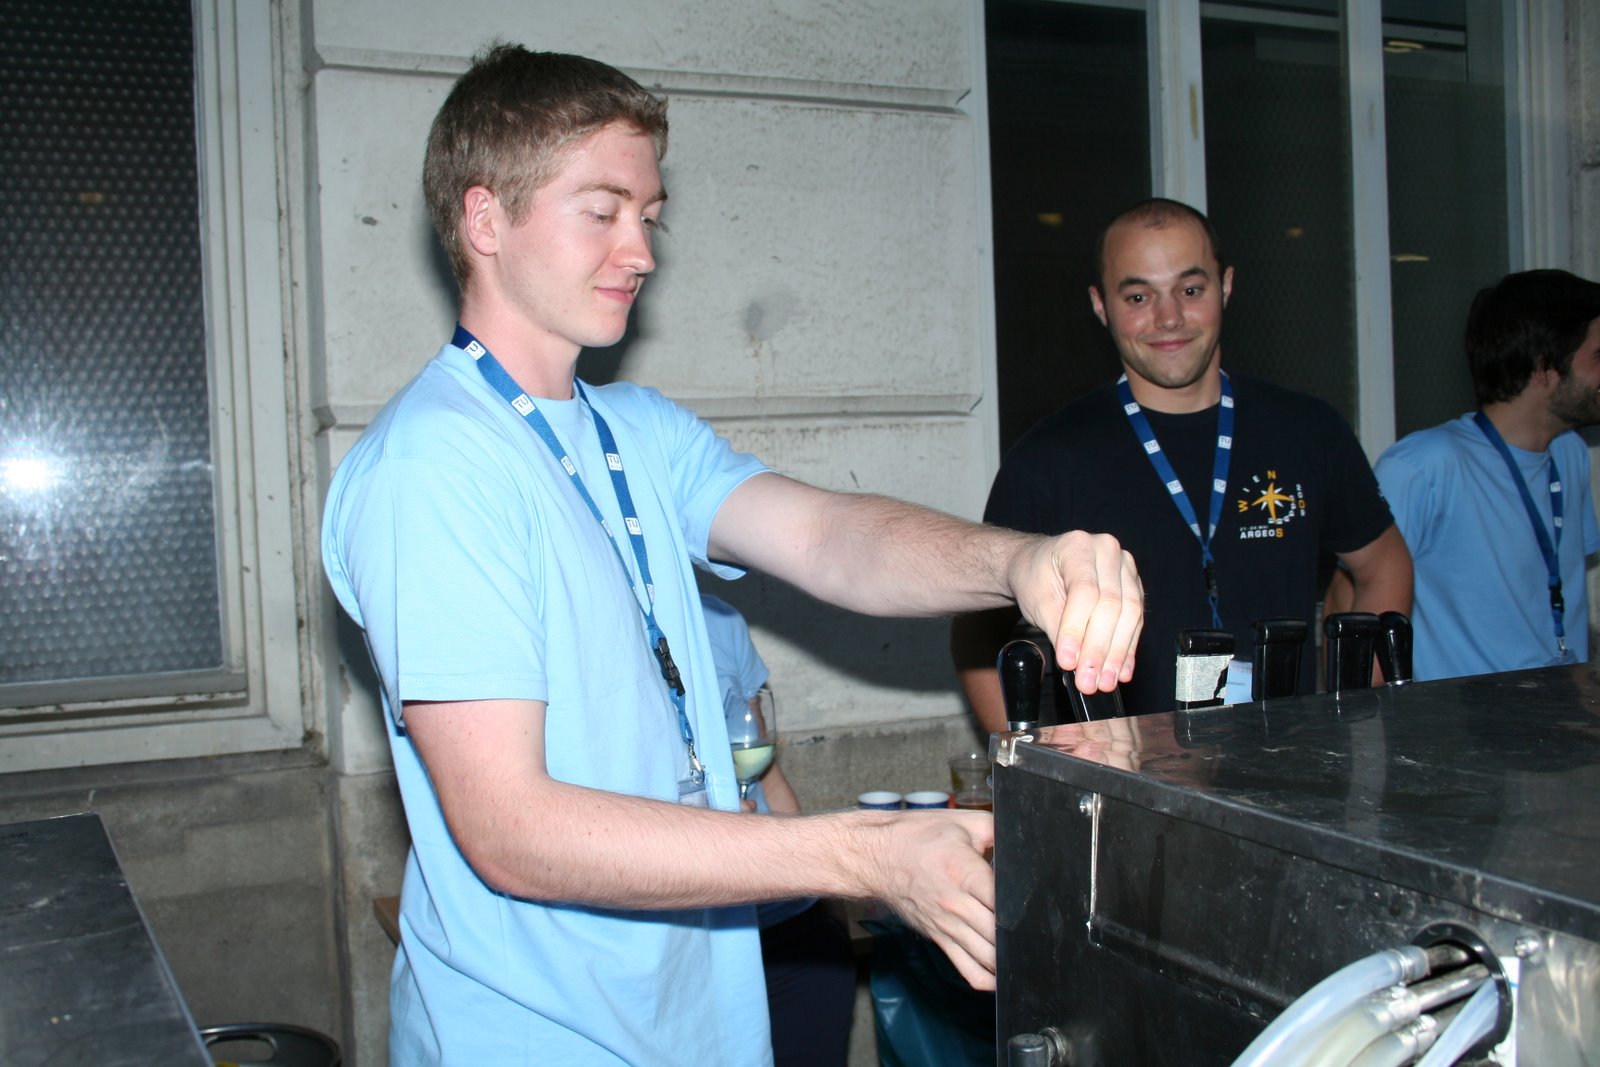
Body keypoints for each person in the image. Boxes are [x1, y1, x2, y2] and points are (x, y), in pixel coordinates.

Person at [320, 44, 1143, 1065]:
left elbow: (829, 537)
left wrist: (1020, 562)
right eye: (602, 211)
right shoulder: (434, 464)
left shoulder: (635, 428)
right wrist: (863, 854)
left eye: (650, 215)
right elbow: (510, 827)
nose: (640, 251)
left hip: (701, 1027)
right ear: (485, 220)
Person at [953, 197, 1411, 727]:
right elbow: (977, 634)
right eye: (1138, 296)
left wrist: (1349, 716)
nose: (1168, 318)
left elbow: (1384, 565)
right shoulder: (1049, 457)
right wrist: (1039, 762)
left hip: (1292, 763)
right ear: (1101, 305)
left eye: (1190, 290)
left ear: (1226, 286)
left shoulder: (1308, 429)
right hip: (1125, 772)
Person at [1375, 269, 1600, 681]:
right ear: (1545, 366)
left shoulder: (1570, 452)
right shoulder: (1425, 466)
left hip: (1563, 715)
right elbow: (1353, 596)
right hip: (1463, 721)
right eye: (1598, 356)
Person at [700, 592, 856, 1067]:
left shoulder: (719, 617)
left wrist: (817, 881)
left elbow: (764, 770)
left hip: (786, 924)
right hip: (699, 933)